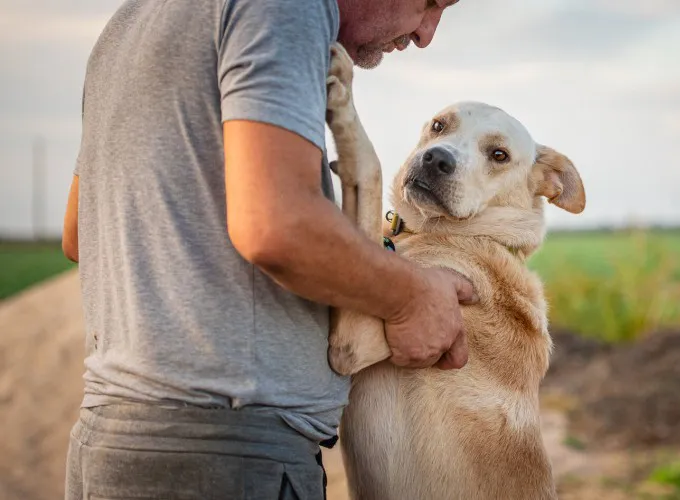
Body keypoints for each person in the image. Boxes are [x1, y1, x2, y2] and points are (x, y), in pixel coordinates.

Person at [60, 0, 471, 498]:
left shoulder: (129, 24)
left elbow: (79, 233)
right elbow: (276, 226)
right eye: (431, 3)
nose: (427, 33)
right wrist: (412, 298)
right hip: (225, 455)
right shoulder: (287, 7)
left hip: (110, 443)